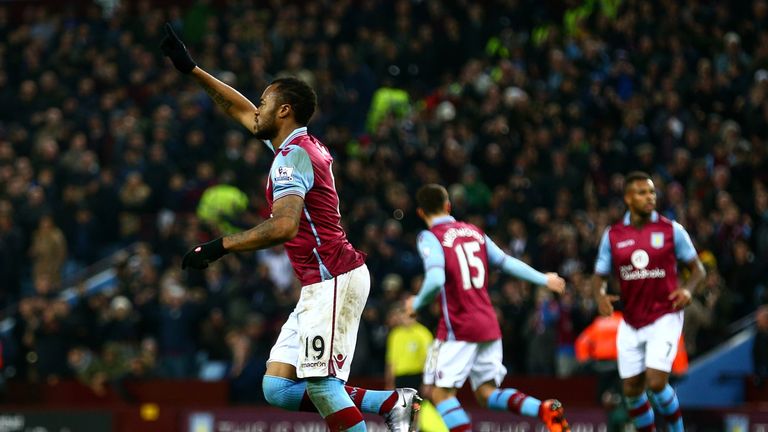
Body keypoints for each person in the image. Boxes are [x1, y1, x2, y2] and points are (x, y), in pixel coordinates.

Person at [160, 23, 419, 432]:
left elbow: (283, 226)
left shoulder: (291, 158)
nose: (256, 109)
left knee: (322, 385)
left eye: (264, 101)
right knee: (278, 388)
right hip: (320, 282)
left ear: (284, 110)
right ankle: (391, 402)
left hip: (333, 277)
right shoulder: (298, 145)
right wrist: (192, 70)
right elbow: (240, 112)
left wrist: (220, 246)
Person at [404, 184, 571, 432]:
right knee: (486, 393)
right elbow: (505, 262)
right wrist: (543, 278)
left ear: (420, 213)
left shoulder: (429, 236)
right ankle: (543, 409)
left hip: (458, 328)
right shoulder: (474, 232)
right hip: (488, 325)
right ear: (448, 206)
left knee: (438, 393)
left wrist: (416, 303)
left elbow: (436, 278)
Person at [591, 171, 706, 432]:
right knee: (631, 389)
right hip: (631, 320)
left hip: (665, 314)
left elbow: (698, 269)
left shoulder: (671, 230)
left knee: (655, 383)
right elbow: (598, 277)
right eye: (642, 193)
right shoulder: (613, 235)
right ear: (628, 198)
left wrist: (687, 290)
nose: (649, 197)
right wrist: (600, 297)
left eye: (652, 192)